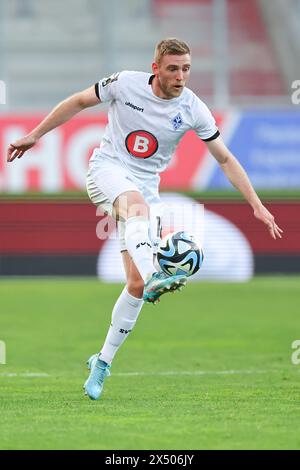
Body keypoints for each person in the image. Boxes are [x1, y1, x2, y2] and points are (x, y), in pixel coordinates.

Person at [7, 38, 283, 401]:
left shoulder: (193, 109)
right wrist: (35, 135)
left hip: (146, 188)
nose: (180, 76)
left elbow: (226, 159)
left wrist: (257, 205)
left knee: (135, 284)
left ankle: (102, 362)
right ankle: (158, 273)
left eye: (186, 68)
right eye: (173, 68)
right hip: (107, 170)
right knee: (137, 217)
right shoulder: (125, 83)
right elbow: (78, 101)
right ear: (156, 68)